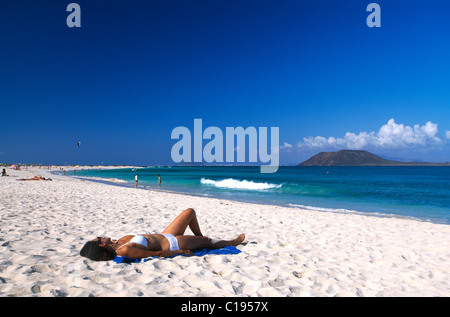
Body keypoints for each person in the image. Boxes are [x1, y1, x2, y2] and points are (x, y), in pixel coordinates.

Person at [80, 208, 245, 261]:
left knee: (189, 212)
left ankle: (201, 238)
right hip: (174, 244)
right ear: (102, 244)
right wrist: (179, 252)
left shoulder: (117, 241)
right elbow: (156, 253)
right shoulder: (123, 250)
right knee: (209, 243)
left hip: (165, 235)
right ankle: (232, 241)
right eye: (99, 238)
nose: (102, 235)